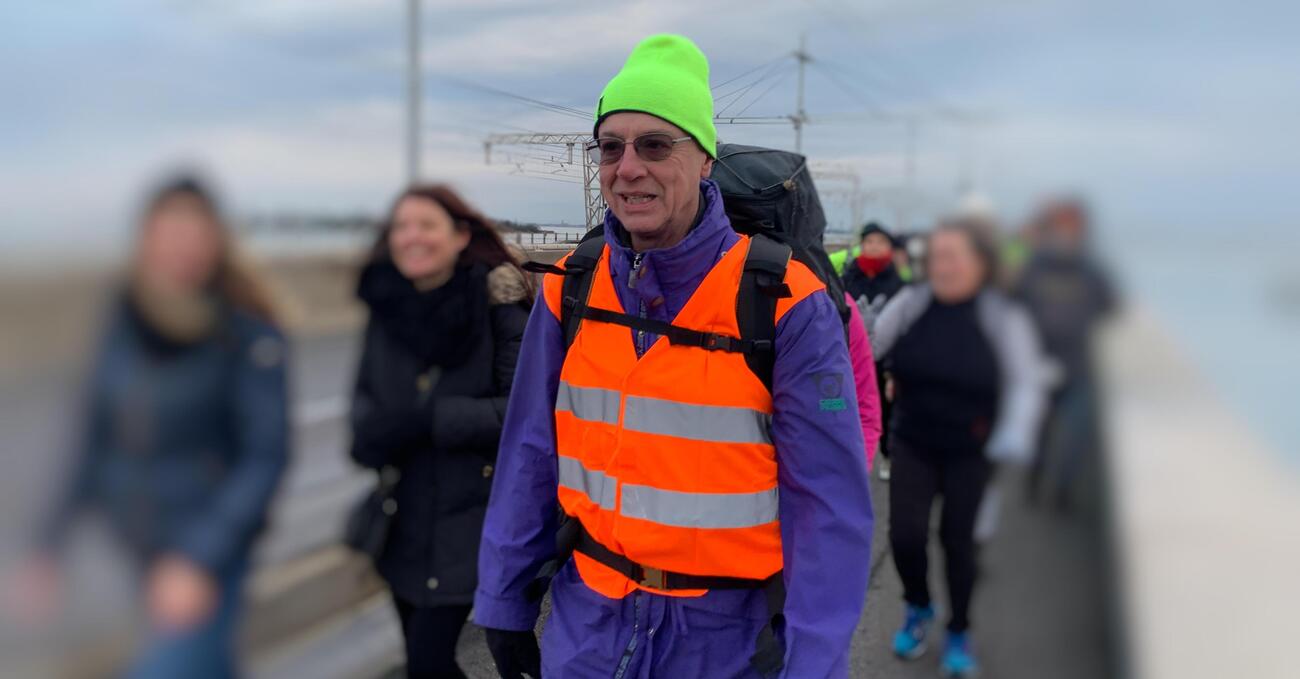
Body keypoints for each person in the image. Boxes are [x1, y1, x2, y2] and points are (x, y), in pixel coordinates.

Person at [474, 34, 873, 678]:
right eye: (611, 147)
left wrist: (817, 660)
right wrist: (504, 601)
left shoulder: (783, 301)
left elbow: (824, 501)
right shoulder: (570, 287)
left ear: (705, 159)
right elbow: (529, 453)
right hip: (587, 631)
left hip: (728, 643)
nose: (627, 168)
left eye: (655, 145)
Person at [23, 176, 289, 679]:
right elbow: (93, 437)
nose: (181, 250)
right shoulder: (123, 322)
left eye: (194, 236)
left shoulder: (249, 334)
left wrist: (197, 558)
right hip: (142, 543)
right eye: (169, 235)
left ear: (217, 243)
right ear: (146, 240)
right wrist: (48, 545)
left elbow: (266, 455)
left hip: (209, 547)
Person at [349, 185, 531, 678]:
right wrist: (369, 437)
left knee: (429, 661)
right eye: (401, 226)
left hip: (471, 519)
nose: (411, 236)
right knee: (420, 661)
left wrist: (433, 420)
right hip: (403, 521)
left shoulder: (498, 305)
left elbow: (522, 413)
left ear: (459, 236)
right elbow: (364, 406)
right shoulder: (388, 311)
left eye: (426, 225)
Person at [871, 219, 1047, 677]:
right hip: (913, 440)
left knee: (959, 543)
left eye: (955, 257)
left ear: (980, 264)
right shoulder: (912, 303)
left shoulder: (1001, 316)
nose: (944, 266)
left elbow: (1027, 383)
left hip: (972, 447)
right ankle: (918, 608)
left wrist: (1014, 441)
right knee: (905, 536)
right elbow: (869, 346)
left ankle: (959, 629)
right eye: (938, 256)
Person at [1015, 198, 1115, 511]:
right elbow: (1015, 304)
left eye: (1073, 228)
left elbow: (1111, 304)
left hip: (1078, 367)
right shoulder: (1034, 268)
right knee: (1039, 434)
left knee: (1076, 436)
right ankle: (1034, 478)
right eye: (1061, 227)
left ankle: (1064, 491)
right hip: (1038, 367)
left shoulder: (1091, 270)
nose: (1066, 234)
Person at [842, 222, 907, 481]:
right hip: (852, 356)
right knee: (849, 406)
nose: (874, 247)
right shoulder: (848, 277)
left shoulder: (897, 283)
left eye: (880, 242)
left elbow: (903, 326)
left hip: (884, 358)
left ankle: (888, 455)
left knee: (886, 408)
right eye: (869, 242)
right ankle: (852, 453)